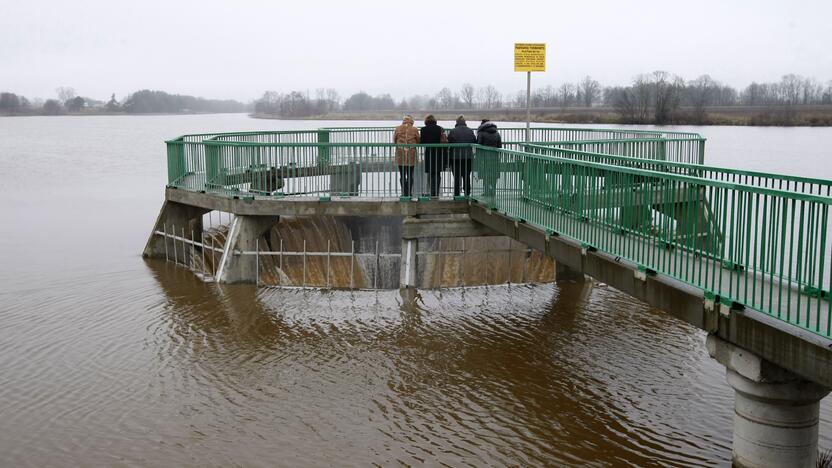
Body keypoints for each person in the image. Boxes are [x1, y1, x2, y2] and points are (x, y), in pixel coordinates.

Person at [447, 115, 476, 197]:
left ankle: (456, 194)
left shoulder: (453, 131)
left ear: (456, 122)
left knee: (456, 176)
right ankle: (467, 193)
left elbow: (449, 141)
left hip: (455, 157)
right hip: (468, 157)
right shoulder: (470, 131)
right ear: (464, 122)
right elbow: (474, 140)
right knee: (466, 176)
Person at [420, 114, 447, 197]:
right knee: (437, 173)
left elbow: (422, 142)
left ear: (426, 121)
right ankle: (436, 192)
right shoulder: (439, 128)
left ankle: (432, 192)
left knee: (431, 173)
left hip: (429, 153)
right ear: (434, 120)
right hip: (438, 153)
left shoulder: (423, 129)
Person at [393, 115, 419, 197]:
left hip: (400, 153)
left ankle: (404, 193)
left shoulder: (398, 128)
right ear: (411, 121)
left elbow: (394, 140)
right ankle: (409, 193)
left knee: (402, 175)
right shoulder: (414, 129)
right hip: (411, 153)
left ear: (403, 120)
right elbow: (418, 140)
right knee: (410, 175)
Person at [476, 119, 502, 197]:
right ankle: (493, 191)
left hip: (484, 158)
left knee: (485, 174)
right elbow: (499, 146)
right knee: (493, 174)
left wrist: (478, 157)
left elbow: (478, 146)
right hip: (494, 157)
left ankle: (486, 192)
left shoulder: (481, 133)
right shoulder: (497, 133)